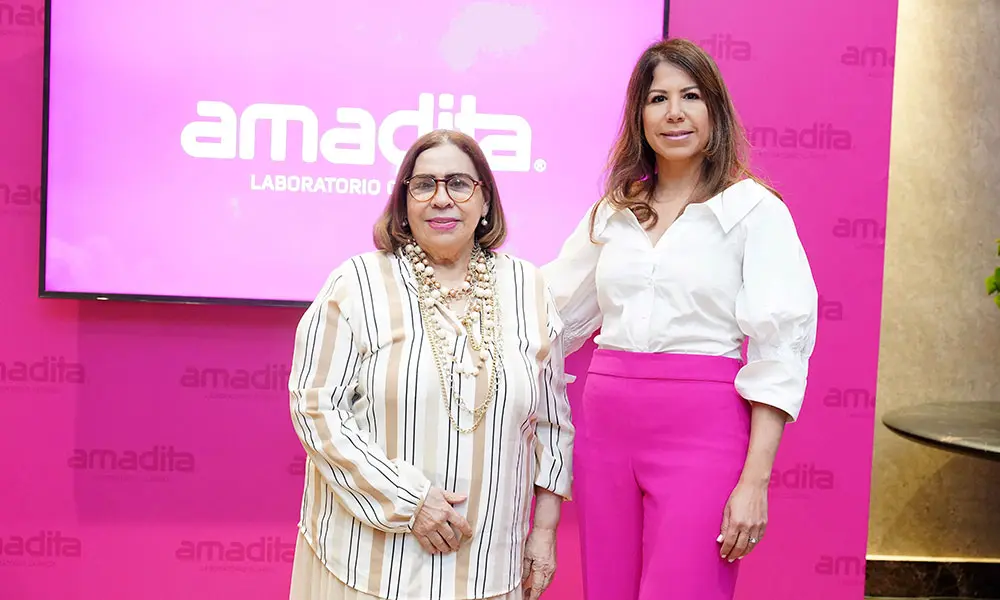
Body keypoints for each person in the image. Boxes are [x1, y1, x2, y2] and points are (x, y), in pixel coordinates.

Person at [542, 38, 819, 600]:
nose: (673, 112)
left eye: (690, 96)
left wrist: (755, 481)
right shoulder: (613, 211)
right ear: (638, 116)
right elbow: (547, 313)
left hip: (703, 428)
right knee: (607, 589)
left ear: (714, 110)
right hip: (606, 427)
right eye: (656, 98)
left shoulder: (753, 210)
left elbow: (780, 350)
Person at [287, 129, 574, 600]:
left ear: (485, 203)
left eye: (459, 184)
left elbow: (552, 424)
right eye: (424, 185)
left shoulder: (528, 288)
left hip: (488, 569)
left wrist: (543, 532)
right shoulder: (357, 283)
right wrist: (408, 500)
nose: (442, 198)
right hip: (371, 566)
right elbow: (315, 408)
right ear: (404, 203)